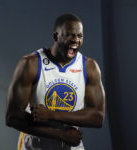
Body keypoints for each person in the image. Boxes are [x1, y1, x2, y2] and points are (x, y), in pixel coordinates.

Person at [6, 13, 105, 150]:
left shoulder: (89, 67)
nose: (75, 40)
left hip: (71, 144)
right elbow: (12, 117)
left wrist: (52, 114)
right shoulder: (30, 63)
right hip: (36, 145)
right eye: (69, 35)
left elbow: (97, 117)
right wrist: (62, 135)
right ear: (56, 37)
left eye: (79, 36)